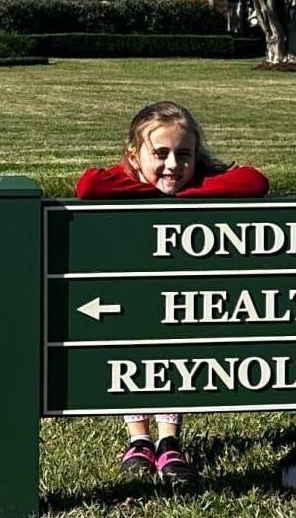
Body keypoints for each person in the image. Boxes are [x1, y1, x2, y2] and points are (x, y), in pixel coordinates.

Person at [75, 101, 267, 490]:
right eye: (159, 154)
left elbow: (253, 182)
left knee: (172, 354)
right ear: (134, 154)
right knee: (131, 357)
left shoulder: (194, 184)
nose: (172, 165)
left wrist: (183, 194)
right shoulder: (121, 183)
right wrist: (151, 190)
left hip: (178, 292)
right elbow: (89, 185)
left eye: (184, 155)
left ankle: (169, 441)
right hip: (126, 289)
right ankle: (138, 438)